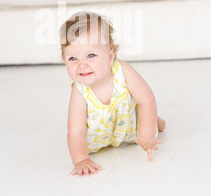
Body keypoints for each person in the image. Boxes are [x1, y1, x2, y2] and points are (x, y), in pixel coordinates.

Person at [59, 11, 166, 177]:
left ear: (110, 57)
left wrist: (146, 134)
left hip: (128, 127)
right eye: (73, 58)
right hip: (99, 139)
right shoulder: (79, 91)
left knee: (145, 116)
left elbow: (146, 99)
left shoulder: (122, 70)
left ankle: (155, 121)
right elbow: (76, 131)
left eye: (91, 55)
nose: (82, 65)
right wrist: (81, 160)